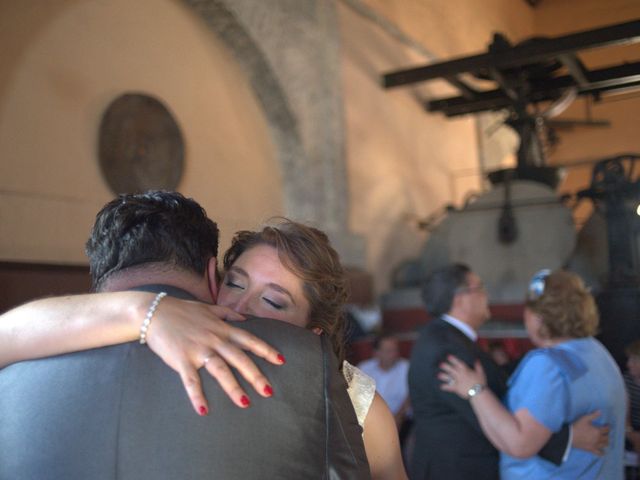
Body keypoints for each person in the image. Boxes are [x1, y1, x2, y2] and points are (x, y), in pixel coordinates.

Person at [0, 194, 406, 479]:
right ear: (216, 280)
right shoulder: (158, 325)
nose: (241, 308)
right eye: (235, 283)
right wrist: (145, 312)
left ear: (314, 334)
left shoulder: (343, 393)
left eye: (274, 302)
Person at [408, 263, 609, 480]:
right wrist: (569, 438)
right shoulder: (445, 349)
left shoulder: (448, 339)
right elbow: (484, 414)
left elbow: (496, 381)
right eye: (480, 287)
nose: (487, 294)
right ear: (460, 299)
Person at [358, 333, 411, 428]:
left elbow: (410, 398)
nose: (394, 354)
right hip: (369, 422)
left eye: (395, 350)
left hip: (401, 422)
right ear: (376, 353)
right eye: (388, 351)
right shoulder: (364, 369)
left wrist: (397, 419)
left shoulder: (407, 369)